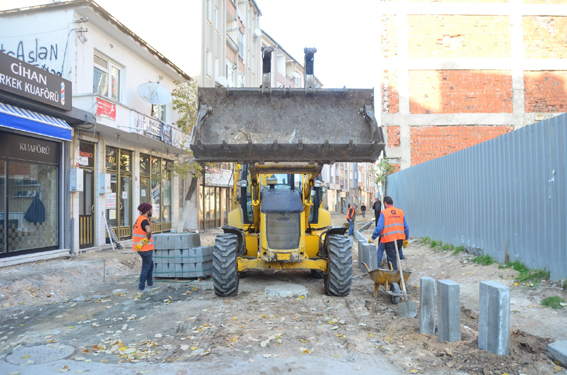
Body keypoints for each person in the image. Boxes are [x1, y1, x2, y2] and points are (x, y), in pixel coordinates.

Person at [368, 196, 409, 270]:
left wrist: (373, 237)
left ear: (385, 203)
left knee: (391, 258)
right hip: (399, 239)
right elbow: (406, 228)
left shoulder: (384, 213)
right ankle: (395, 269)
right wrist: (406, 239)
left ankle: (391, 275)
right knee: (393, 256)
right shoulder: (400, 212)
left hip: (388, 240)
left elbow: (379, 228)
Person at [133, 203, 158, 293]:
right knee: (146, 267)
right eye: (151, 210)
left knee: (150, 265)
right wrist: (147, 239)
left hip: (139, 247)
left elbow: (134, 228)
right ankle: (141, 288)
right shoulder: (145, 220)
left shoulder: (138, 219)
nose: (152, 211)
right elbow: (148, 230)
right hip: (145, 248)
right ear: (148, 211)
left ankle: (150, 283)